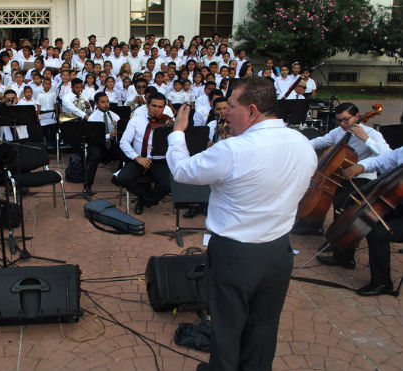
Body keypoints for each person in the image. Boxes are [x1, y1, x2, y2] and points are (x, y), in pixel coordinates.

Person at [167, 77, 317, 370]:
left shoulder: (234, 150)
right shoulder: (303, 143)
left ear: (251, 111)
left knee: (227, 327)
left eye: (231, 106)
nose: (225, 112)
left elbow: (183, 171)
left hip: (235, 255)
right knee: (264, 326)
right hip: (279, 252)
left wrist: (177, 134)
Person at [299, 103, 391, 268]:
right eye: (339, 120)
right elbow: (319, 142)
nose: (342, 124)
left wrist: (366, 140)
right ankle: (321, 231)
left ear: (357, 116)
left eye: (346, 120)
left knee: (343, 206)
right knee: (333, 201)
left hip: (363, 177)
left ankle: (344, 256)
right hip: (342, 176)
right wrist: (299, 144)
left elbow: (387, 156)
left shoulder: (372, 134)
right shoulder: (339, 132)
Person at [342, 148, 403, 295]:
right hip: (397, 204)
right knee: (367, 219)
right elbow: (381, 160)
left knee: (378, 233)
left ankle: (382, 282)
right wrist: (361, 166)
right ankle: (343, 255)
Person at [118, 92, 172, 215]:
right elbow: (124, 142)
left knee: (168, 185)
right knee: (122, 178)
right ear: (147, 105)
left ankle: (144, 200)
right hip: (139, 159)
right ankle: (146, 194)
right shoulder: (136, 120)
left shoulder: (168, 123)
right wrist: (137, 158)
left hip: (159, 161)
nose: (156, 110)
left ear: (164, 108)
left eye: (160, 107)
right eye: (154, 106)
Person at [84, 92, 121, 193]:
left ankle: (117, 177)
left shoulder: (114, 116)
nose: (106, 104)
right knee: (95, 157)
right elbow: (94, 137)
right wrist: (109, 135)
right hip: (96, 143)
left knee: (125, 154)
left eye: (107, 101)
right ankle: (88, 185)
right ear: (96, 104)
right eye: (103, 102)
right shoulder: (92, 118)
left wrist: (117, 128)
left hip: (110, 142)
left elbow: (121, 133)